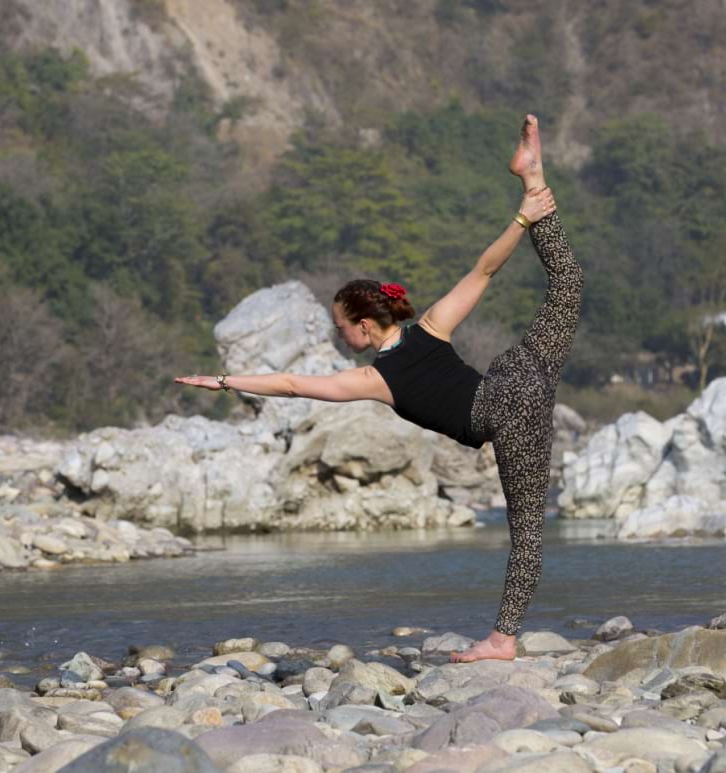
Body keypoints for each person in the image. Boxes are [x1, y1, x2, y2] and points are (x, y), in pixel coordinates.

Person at [175, 114, 583, 663]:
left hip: (504, 413)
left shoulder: (375, 380)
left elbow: (293, 384)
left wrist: (223, 381)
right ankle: (532, 177)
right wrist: (523, 216)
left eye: (340, 326)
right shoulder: (432, 327)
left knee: (527, 537)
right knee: (568, 286)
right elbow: (484, 271)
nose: (338, 334)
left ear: (364, 326)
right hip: (521, 375)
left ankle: (501, 641)